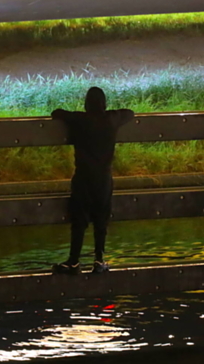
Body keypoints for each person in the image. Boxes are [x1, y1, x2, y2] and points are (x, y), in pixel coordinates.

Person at [51, 87, 134, 274]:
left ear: (86, 104)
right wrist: (113, 114)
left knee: (79, 219)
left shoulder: (80, 120)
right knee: (101, 219)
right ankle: (99, 260)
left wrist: (70, 115)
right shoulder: (112, 119)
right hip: (104, 178)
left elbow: (57, 113)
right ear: (104, 104)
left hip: (83, 177)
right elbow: (130, 113)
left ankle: (73, 262)